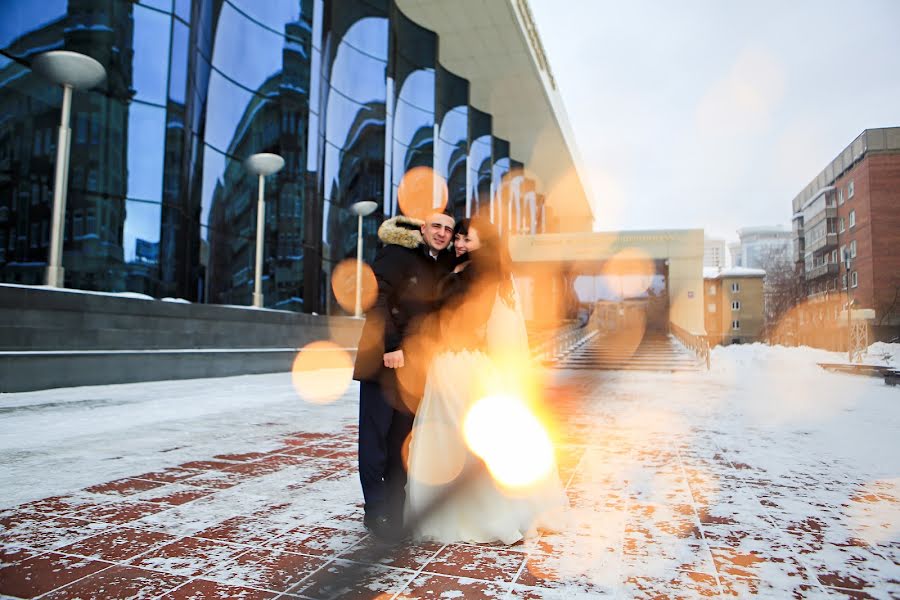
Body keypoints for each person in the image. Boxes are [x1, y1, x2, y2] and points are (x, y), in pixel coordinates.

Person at [405, 216, 568, 544]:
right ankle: (455, 507)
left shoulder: (489, 277)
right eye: (459, 238)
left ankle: (490, 512)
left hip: (466, 366)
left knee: (467, 440)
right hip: (446, 365)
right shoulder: (459, 269)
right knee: (447, 439)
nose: (460, 244)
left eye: (467, 239)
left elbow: (499, 332)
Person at [352, 211, 455, 539]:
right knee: (375, 439)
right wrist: (392, 345)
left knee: (401, 442)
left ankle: (395, 511)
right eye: (436, 226)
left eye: (448, 229)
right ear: (422, 228)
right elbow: (375, 297)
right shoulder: (397, 254)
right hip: (384, 361)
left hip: (414, 369)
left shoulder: (436, 263)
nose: (441, 232)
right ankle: (375, 511)